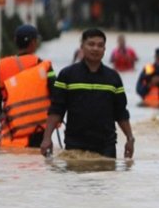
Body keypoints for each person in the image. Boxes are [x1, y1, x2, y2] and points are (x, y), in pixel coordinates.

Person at [40, 28, 135, 159]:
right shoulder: (67, 75)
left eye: (100, 45)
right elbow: (56, 109)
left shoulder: (113, 78)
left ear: (104, 49)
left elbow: (121, 112)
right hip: (74, 147)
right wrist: (47, 138)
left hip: (106, 148)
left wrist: (130, 138)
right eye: (91, 44)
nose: (95, 49)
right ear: (82, 47)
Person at [0, 25, 56, 148]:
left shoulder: (3, 67)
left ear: (15, 41)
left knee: (11, 156)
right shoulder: (44, 67)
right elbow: (58, 97)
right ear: (34, 42)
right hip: (39, 132)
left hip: (12, 132)